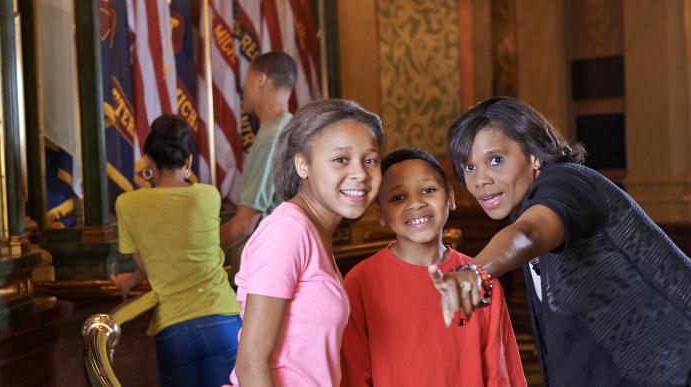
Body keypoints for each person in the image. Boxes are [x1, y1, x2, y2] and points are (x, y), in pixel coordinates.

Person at [430, 96, 691, 386]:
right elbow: (569, 346)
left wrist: (476, 271)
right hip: (657, 361)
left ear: (534, 155)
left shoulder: (568, 183)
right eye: (469, 167)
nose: (480, 180)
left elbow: (529, 235)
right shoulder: (525, 208)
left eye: (495, 160)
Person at [340, 148, 526, 387]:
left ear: (450, 197)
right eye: (398, 197)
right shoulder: (360, 282)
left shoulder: (478, 276)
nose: (416, 203)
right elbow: (354, 376)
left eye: (428, 190)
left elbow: (501, 374)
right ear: (381, 214)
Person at [230, 99, 384, 387]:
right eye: (341, 159)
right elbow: (251, 364)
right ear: (302, 165)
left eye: (370, 160)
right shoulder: (287, 231)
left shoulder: (313, 232)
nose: (360, 173)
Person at [113, 115, 241, 387]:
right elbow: (189, 251)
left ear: (147, 159)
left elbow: (154, 264)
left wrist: (130, 280)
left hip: (174, 330)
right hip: (223, 320)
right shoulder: (208, 195)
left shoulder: (127, 204)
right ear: (189, 162)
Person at [220, 52, 298, 251]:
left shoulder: (272, 138)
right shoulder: (290, 129)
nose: (243, 86)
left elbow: (244, 225)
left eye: (247, 78)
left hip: (271, 263)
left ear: (261, 79)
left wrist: (195, 258)